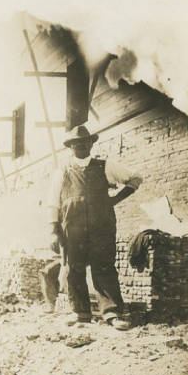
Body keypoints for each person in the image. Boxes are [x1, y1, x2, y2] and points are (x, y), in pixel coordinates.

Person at [47, 125, 142, 330]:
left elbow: (136, 178)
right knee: (74, 270)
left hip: (102, 228)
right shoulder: (62, 172)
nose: (81, 146)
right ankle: (80, 314)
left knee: (104, 268)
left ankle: (112, 313)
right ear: (70, 147)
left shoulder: (105, 166)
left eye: (85, 142)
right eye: (76, 143)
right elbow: (53, 203)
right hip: (72, 229)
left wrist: (114, 200)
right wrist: (54, 230)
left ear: (91, 143)